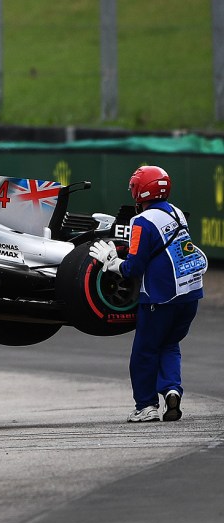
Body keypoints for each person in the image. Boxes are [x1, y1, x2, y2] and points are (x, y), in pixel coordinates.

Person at [89, 166, 208, 423]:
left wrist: (111, 262)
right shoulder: (177, 213)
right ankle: (172, 390)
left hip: (159, 298)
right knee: (170, 345)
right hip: (190, 295)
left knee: (144, 352)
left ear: (141, 190)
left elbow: (134, 267)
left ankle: (146, 406)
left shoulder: (141, 221)